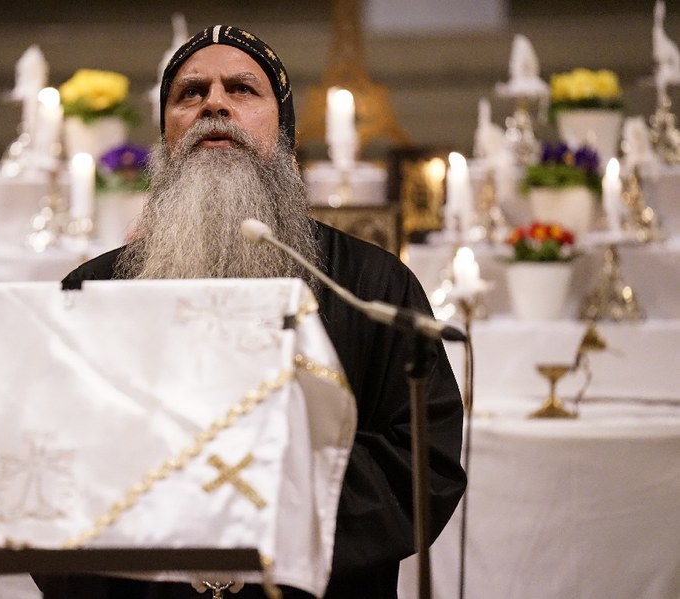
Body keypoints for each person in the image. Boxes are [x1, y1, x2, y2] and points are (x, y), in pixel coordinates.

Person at [39, 25, 466, 599]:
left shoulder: (371, 287)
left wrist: (255, 520)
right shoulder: (91, 291)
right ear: (165, 138)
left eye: (242, 89)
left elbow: (421, 461)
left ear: (285, 141)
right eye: (190, 93)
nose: (214, 102)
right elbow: (47, 459)